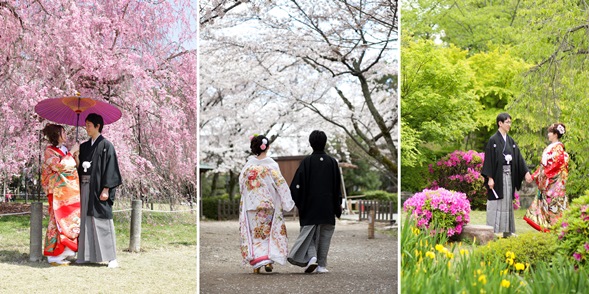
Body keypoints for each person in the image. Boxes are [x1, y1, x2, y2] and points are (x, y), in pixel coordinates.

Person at [238, 135, 295, 274]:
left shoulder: (248, 167)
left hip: (252, 205)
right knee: (267, 233)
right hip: (268, 204)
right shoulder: (271, 165)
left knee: (255, 234)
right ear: (267, 147)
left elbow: (241, 186)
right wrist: (287, 201)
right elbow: (280, 183)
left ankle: (257, 264)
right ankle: (268, 261)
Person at [287, 130, 342, 273]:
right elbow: (337, 186)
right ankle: (322, 265)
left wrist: (300, 203)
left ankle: (312, 258)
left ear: (310, 143)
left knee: (308, 234)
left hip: (310, 206)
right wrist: (337, 206)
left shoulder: (306, 162)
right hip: (328, 205)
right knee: (325, 234)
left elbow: (296, 186)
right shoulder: (332, 162)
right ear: (325, 142)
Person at [74, 113, 122, 268]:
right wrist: (76, 158)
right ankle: (84, 255)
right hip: (85, 186)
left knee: (102, 220)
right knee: (85, 220)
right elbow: (80, 168)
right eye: (86, 124)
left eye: (89, 125)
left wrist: (106, 189)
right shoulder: (84, 146)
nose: (86, 127)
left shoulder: (107, 146)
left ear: (97, 126)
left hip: (99, 188)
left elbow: (110, 169)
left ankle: (111, 257)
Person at [482, 113, 532, 238]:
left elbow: (519, 158)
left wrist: (526, 172)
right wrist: (490, 178)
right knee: (496, 202)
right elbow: (489, 160)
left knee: (507, 203)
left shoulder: (511, 141)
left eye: (510, 122)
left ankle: (508, 231)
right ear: (500, 123)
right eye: (507, 122)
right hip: (497, 176)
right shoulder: (493, 140)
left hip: (508, 176)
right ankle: (491, 232)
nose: (509, 125)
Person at [41, 124, 81, 266]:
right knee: (56, 221)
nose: (65, 135)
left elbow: (73, 166)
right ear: (55, 135)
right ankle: (53, 254)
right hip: (56, 191)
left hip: (67, 192)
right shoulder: (49, 151)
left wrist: (75, 156)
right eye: (62, 132)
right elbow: (58, 167)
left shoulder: (63, 150)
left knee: (69, 220)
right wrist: (71, 153)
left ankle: (65, 250)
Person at [524, 123, 569, 232]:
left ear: (555, 134)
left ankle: (557, 229)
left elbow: (553, 166)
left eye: (550, 132)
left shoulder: (558, 149)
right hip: (548, 181)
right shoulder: (552, 147)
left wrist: (541, 174)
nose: (548, 134)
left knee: (554, 206)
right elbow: (543, 166)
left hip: (554, 184)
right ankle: (550, 228)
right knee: (548, 205)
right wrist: (535, 175)